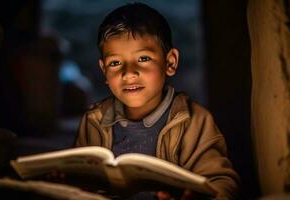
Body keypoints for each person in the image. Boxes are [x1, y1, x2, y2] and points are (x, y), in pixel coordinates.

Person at [75, 3, 240, 200]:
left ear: (170, 62)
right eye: (115, 63)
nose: (128, 73)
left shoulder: (193, 121)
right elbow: (79, 178)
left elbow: (221, 181)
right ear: (104, 70)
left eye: (143, 58)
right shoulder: (94, 121)